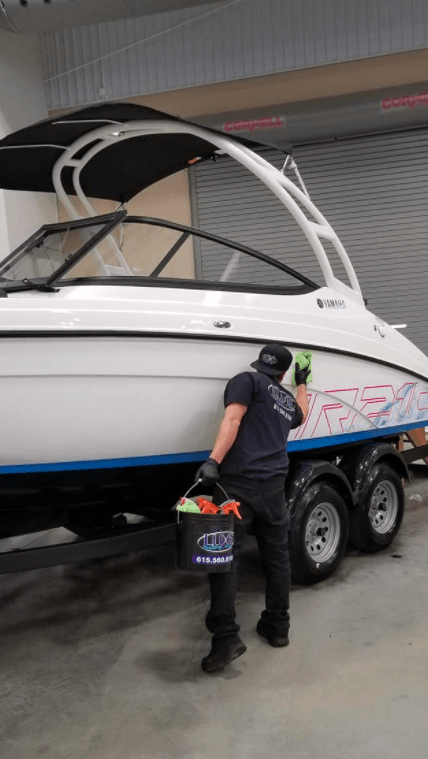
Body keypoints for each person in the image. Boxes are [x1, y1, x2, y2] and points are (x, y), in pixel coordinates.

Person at [195, 343, 310, 673]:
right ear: (283, 374)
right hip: (274, 487)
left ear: (260, 364)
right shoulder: (286, 399)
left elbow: (232, 419)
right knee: (277, 558)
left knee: (223, 560)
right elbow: (301, 417)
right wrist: (302, 383)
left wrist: (213, 461)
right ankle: (278, 627)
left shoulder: (246, 381)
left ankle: (226, 638)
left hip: (237, 487)